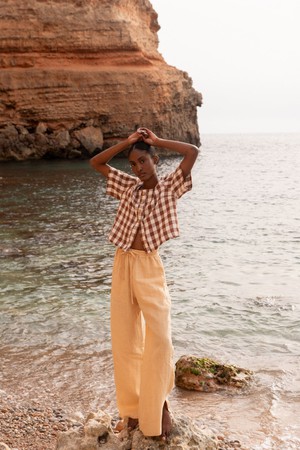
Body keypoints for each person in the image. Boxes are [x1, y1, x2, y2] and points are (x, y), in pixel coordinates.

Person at [90, 127, 199, 440]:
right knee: (125, 340)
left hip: (149, 265)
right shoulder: (129, 186)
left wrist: (155, 141)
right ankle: (134, 410)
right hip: (123, 262)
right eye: (134, 164)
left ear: (155, 160)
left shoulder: (169, 188)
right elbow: (96, 163)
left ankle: (159, 405)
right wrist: (125, 144)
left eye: (143, 161)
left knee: (160, 337)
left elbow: (191, 152)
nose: (138, 168)